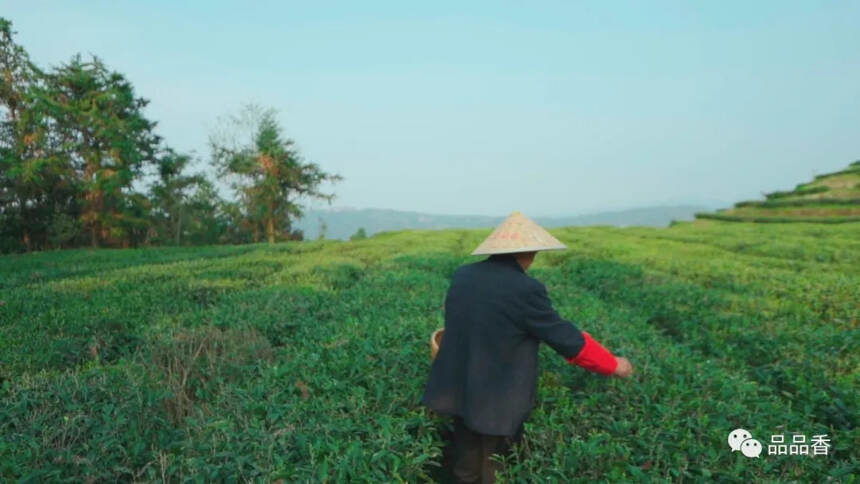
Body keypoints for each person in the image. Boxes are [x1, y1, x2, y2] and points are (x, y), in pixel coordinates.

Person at [422, 211, 634, 483]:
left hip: (459, 387)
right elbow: (566, 339)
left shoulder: (463, 275)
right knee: (494, 467)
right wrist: (614, 364)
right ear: (529, 253)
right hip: (495, 397)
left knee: (465, 463)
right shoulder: (524, 288)